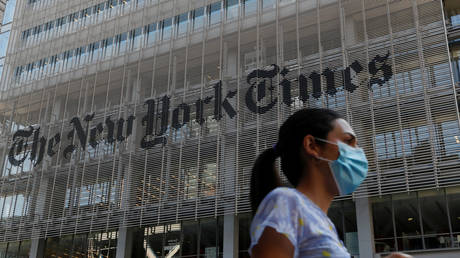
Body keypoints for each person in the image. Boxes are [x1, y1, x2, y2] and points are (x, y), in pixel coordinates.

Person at [249, 108, 411, 258]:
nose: (358, 152)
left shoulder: (322, 222)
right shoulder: (287, 202)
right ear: (312, 146)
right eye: (348, 141)